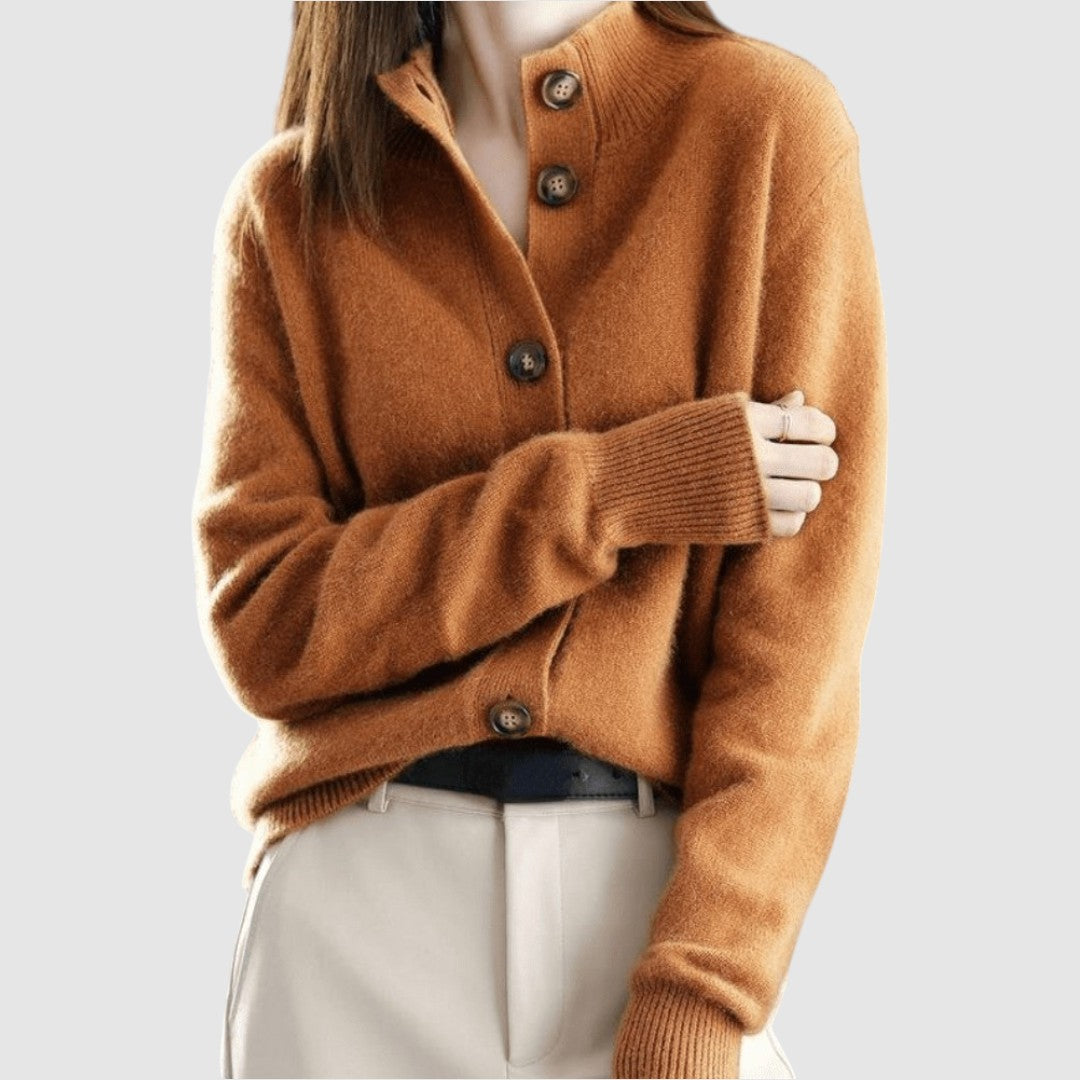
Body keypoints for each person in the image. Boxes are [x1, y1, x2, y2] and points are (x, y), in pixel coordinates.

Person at [193, 2, 887, 1077]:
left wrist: (705, 986)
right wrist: (614, 490)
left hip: (646, 913)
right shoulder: (292, 204)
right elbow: (269, 624)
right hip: (349, 932)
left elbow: (800, 652)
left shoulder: (765, 128)